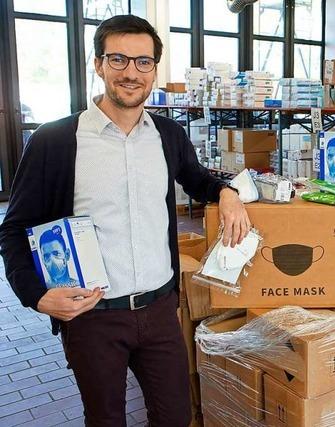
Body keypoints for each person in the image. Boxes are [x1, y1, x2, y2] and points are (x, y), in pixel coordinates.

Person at [0, 15, 250, 427]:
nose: (131, 73)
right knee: (105, 419)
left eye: (143, 62)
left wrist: (227, 193)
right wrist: (36, 295)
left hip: (160, 310)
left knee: (174, 417)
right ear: (98, 65)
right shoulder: (57, 141)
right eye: (118, 60)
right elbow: (13, 228)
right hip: (93, 317)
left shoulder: (168, 135)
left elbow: (198, 179)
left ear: (154, 69)